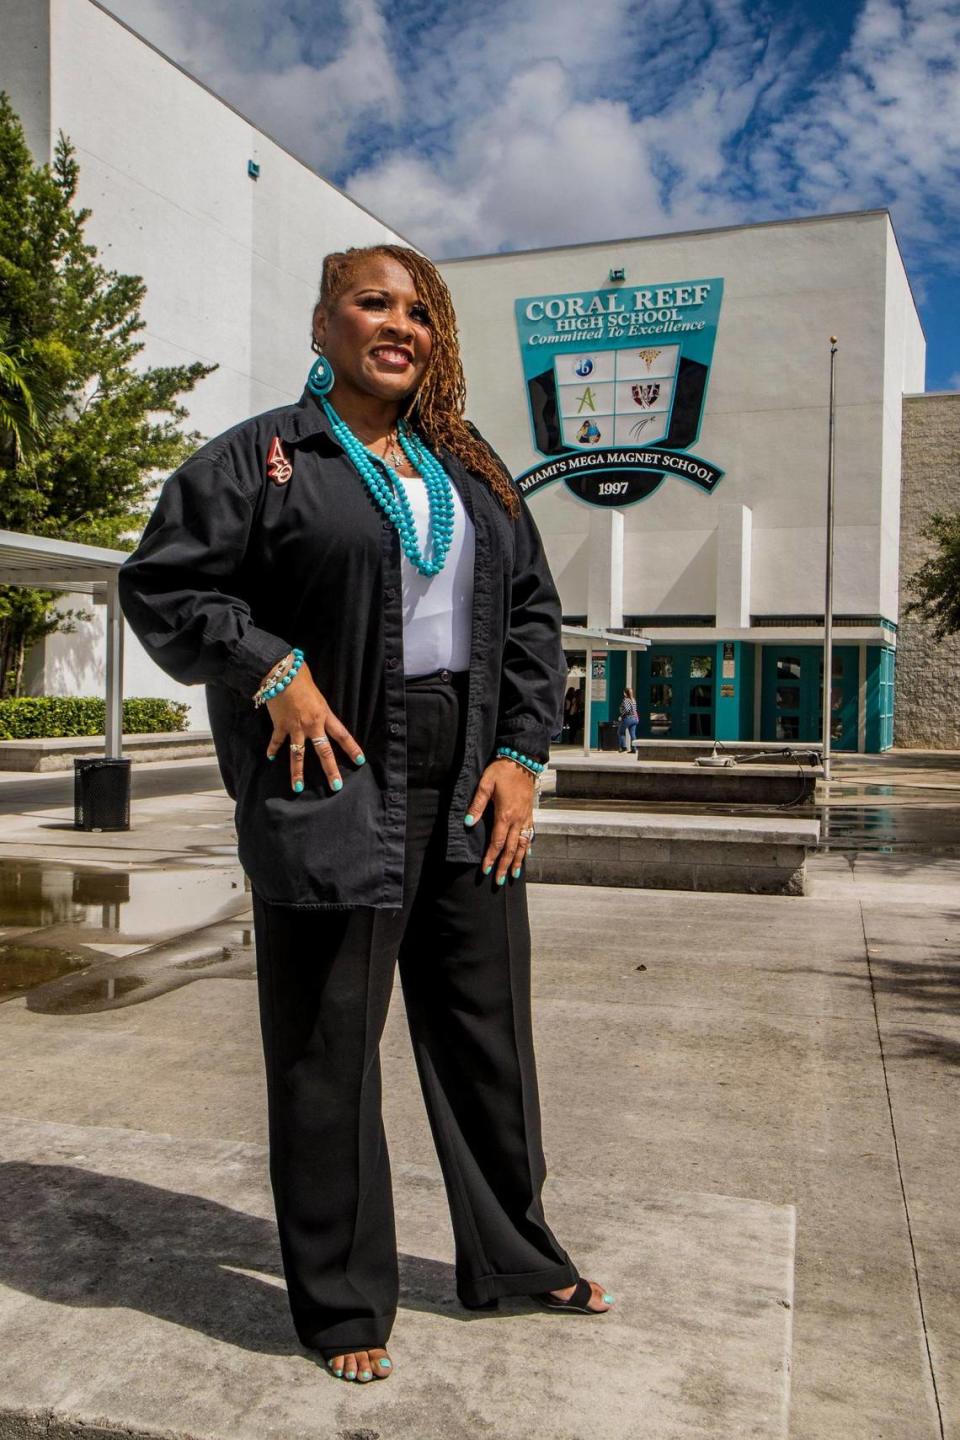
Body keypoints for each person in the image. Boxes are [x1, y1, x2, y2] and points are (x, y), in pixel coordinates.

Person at [118, 244, 613, 1386]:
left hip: (471, 774)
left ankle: (516, 1259)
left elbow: (533, 612)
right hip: (331, 770)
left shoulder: (471, 467)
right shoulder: (265, 458)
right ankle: (342, 1301)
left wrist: (523, 754)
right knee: (327, 1050)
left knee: (488, 1034)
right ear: (325, 324)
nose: (401, 324)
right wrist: (265, 663)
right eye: (373, 303)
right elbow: (165, 585)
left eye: (420, 311)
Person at [617, 686, 639, 752]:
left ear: (625, 693)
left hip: (628, 718)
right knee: (633, 734)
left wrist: (621, 716)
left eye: (624, 692)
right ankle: (634, 749)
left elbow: (627, 709)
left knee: (620, 732)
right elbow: (635, 709)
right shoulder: (633, 699)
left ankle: (623, 747)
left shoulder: (626, 700)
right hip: (635, 719)